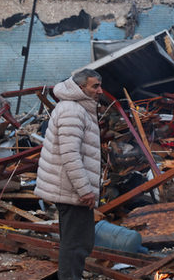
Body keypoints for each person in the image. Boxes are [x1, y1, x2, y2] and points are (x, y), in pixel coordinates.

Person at [35, 69, 104, 280]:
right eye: (95, 86)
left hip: (69, 189)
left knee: (72, 243)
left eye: (100, 85)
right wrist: (85, 190)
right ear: (80, 88)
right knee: (77, 246)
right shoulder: (73, 111)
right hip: (72, 191)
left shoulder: (76, 108)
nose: (100, 90)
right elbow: (70, 155)